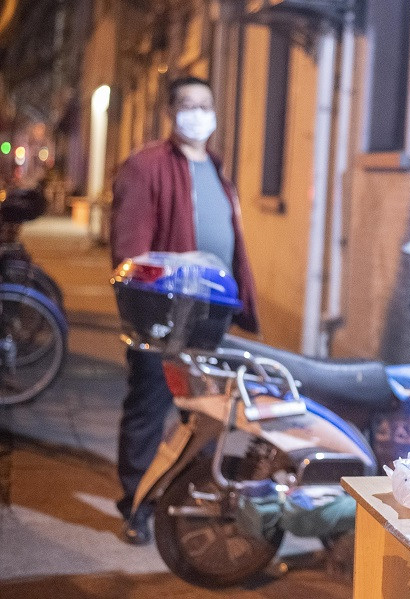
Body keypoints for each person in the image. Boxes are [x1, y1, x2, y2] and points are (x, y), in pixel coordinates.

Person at [110, 75, 259, 544]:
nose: (198, 113)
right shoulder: (146, 166)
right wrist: (144, 306)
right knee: (149, 405)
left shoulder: (217, 169)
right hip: (164, 316)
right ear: (171, 112)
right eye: (187, 104)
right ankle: (135, 504)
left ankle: (180, 491)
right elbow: (130, 252)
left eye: (205, 104)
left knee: (204, 410)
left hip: (208, 317)